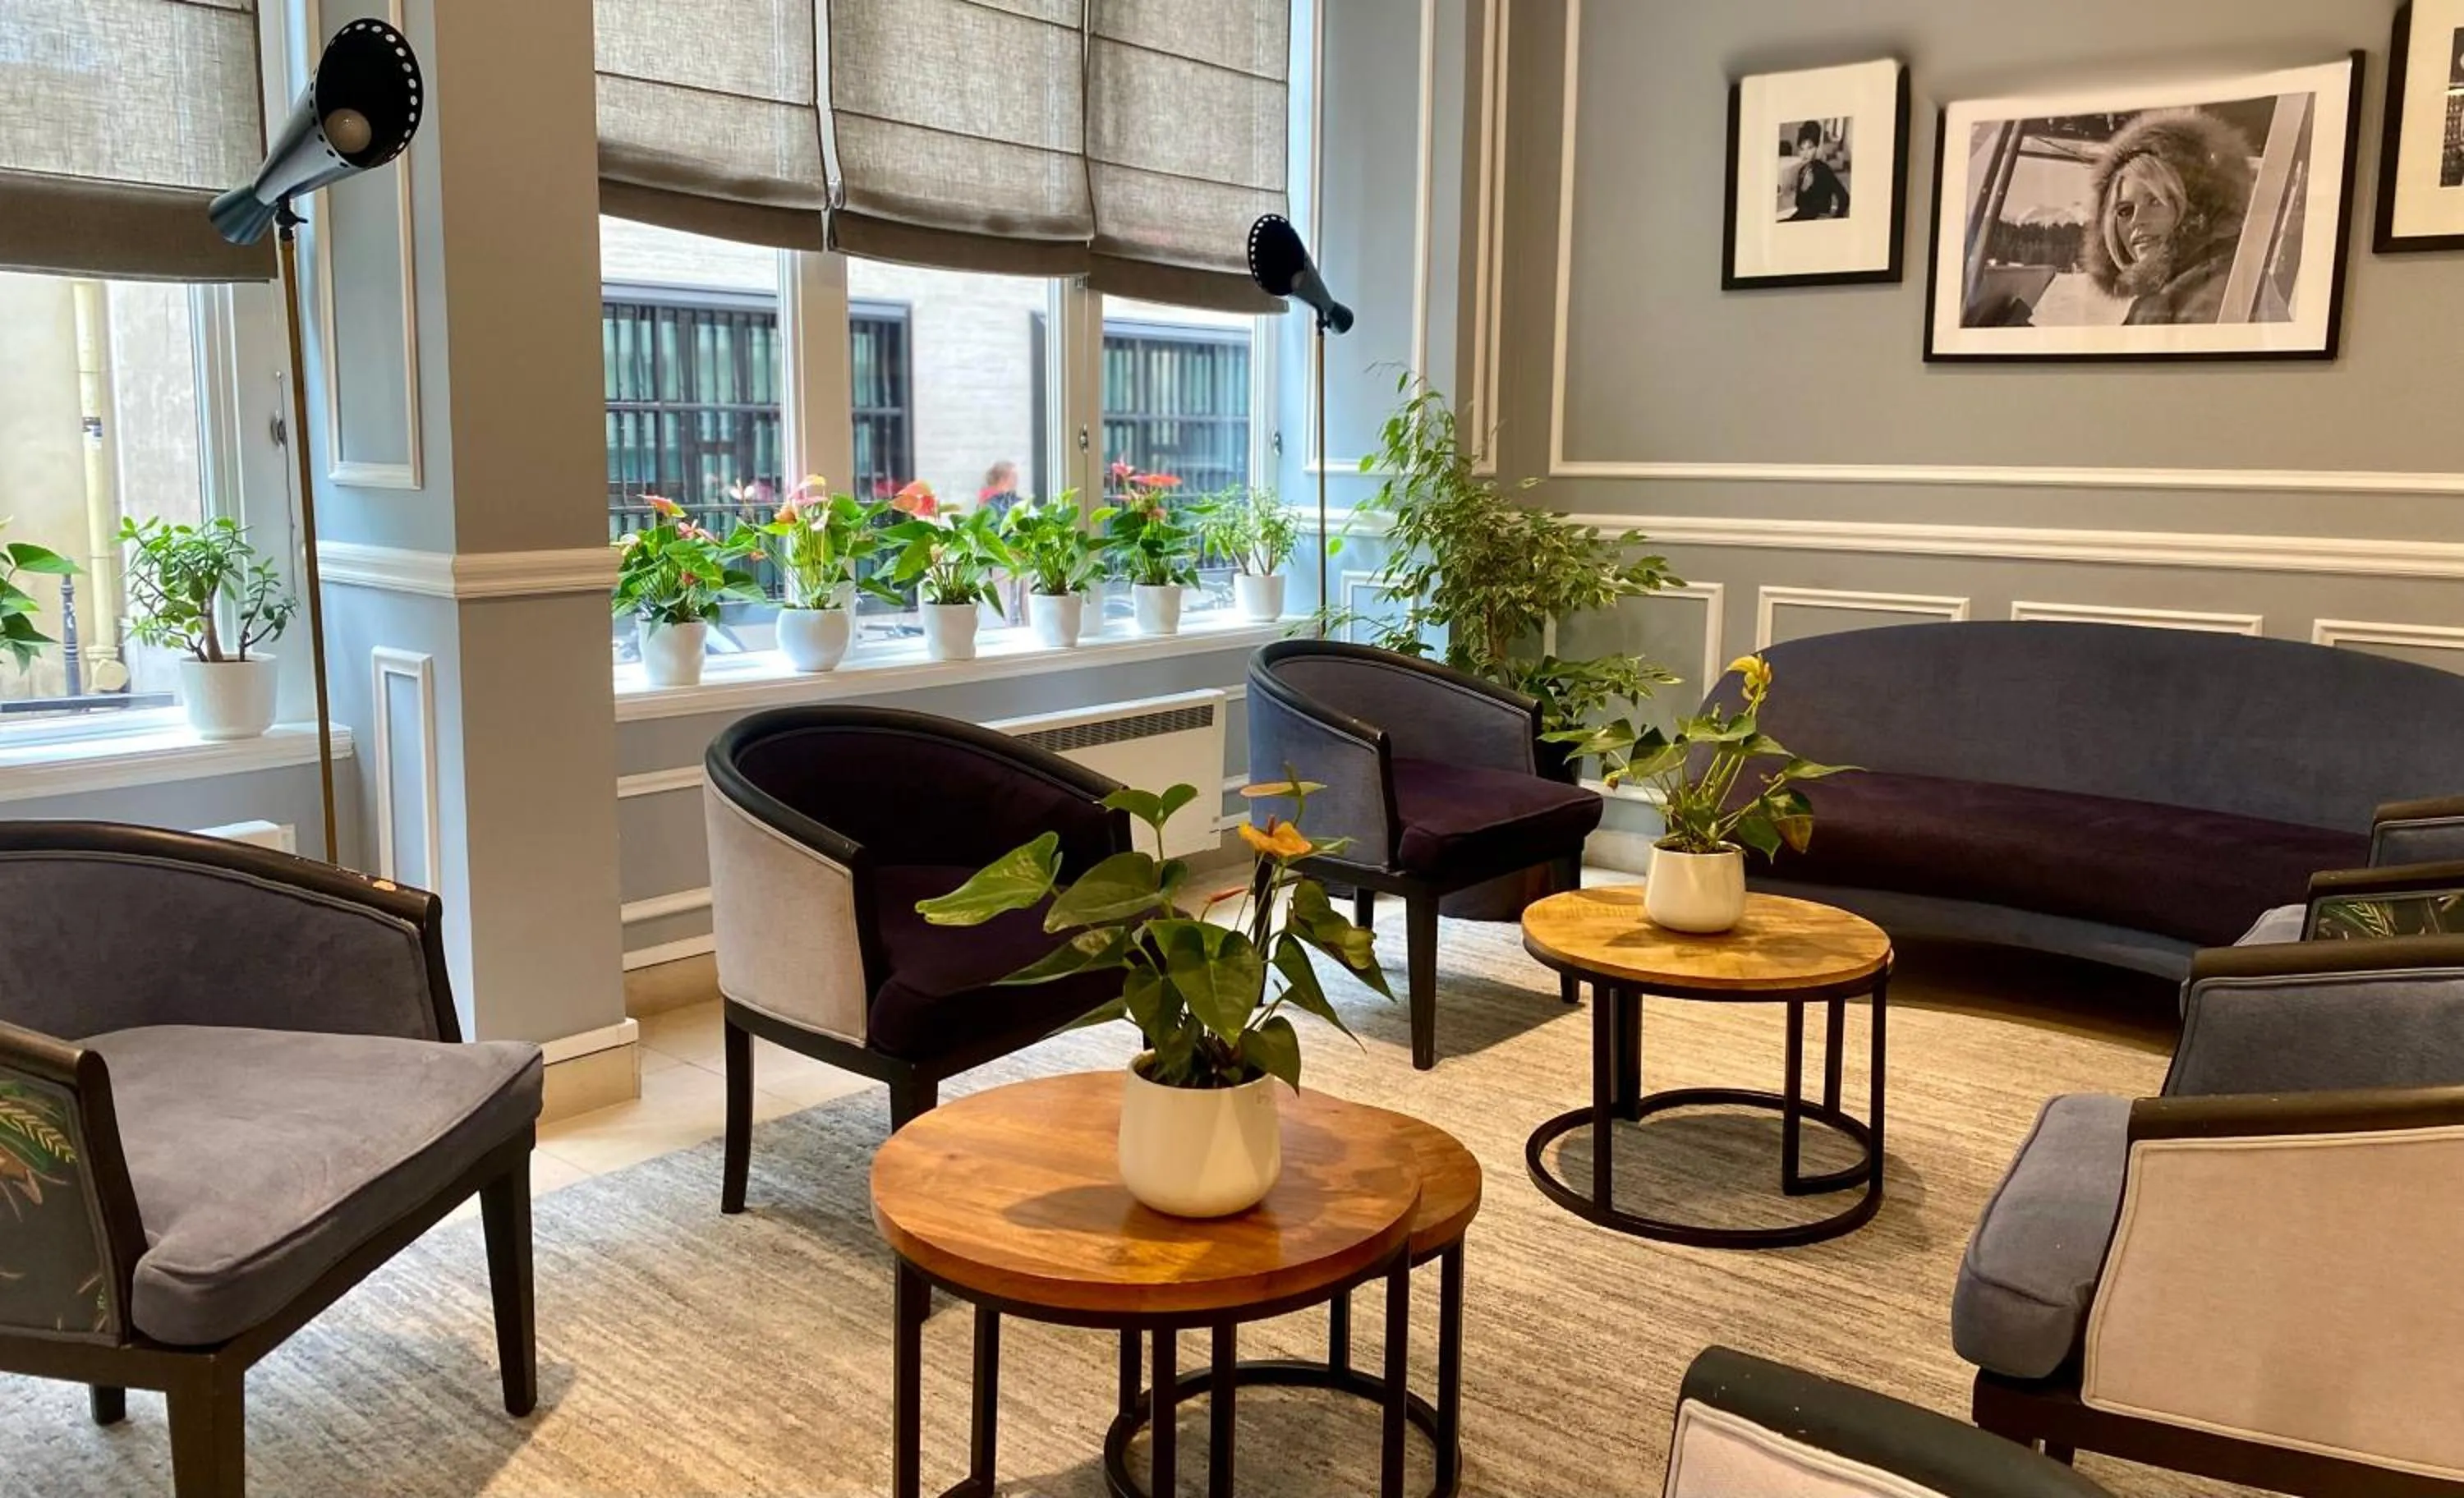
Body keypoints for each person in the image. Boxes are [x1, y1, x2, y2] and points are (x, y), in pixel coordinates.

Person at [2085, 108, 2282, 326]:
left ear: (2193, 209)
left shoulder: (2217, 290)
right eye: (2124, 211)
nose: (2137, 220)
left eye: (2155, 201)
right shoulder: (2175, 293)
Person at [1783, 122, 1850, 221]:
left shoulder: (1823, 170)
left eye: (1810, 148)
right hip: (1801, 218)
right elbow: (1799, 204)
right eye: (1802, 148)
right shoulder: (1802, 171)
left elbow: (1844, 197)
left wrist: (1836, 219)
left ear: (1817, 148)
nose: (1805, 153)